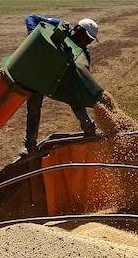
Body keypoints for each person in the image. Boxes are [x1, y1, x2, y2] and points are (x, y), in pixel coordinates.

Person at [21, 14, 100, 155]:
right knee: (33, 110)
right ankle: (29, 145)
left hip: (59, 79)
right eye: (87, 38)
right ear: (77, 29)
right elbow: (30, 18)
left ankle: (88, 126)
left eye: (91, 40)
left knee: (76, 98)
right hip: (41, 73)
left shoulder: (84, 53)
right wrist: (35, 40)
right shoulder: (59, 26)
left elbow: (82, 78)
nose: (88, 42)